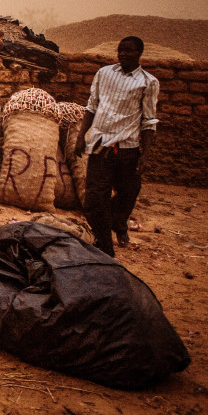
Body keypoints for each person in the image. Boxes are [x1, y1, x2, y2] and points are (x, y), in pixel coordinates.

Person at [74, 36, 159, 257]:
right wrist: (82, 136)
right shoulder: (104, 74)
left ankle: (118, 223)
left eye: (128, 50)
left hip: (127, 148)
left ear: (139, 53)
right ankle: (105, 246)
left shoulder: (148, 82)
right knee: (94, 199)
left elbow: (149, 121)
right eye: (120, 50)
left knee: (129, 191)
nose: (122, 54)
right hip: (100, 145)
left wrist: (145, 155)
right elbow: (91, 107)